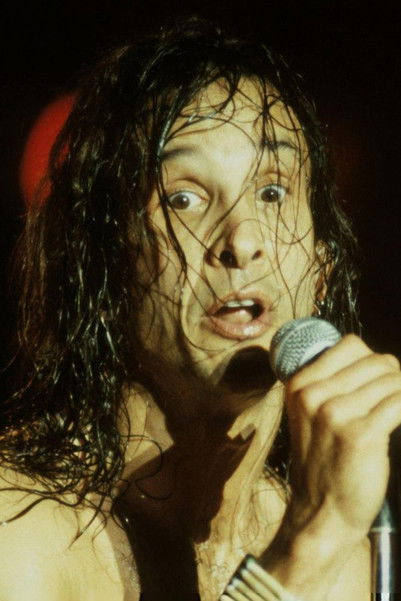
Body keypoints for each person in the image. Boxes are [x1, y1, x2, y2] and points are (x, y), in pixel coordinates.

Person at [1, 16, 400, 601]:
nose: (243, 240)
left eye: (272, 192)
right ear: (104, 270)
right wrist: (308, 547)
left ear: (322, 271)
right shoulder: (18, 532)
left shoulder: (344, 561)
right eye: (184, 198)